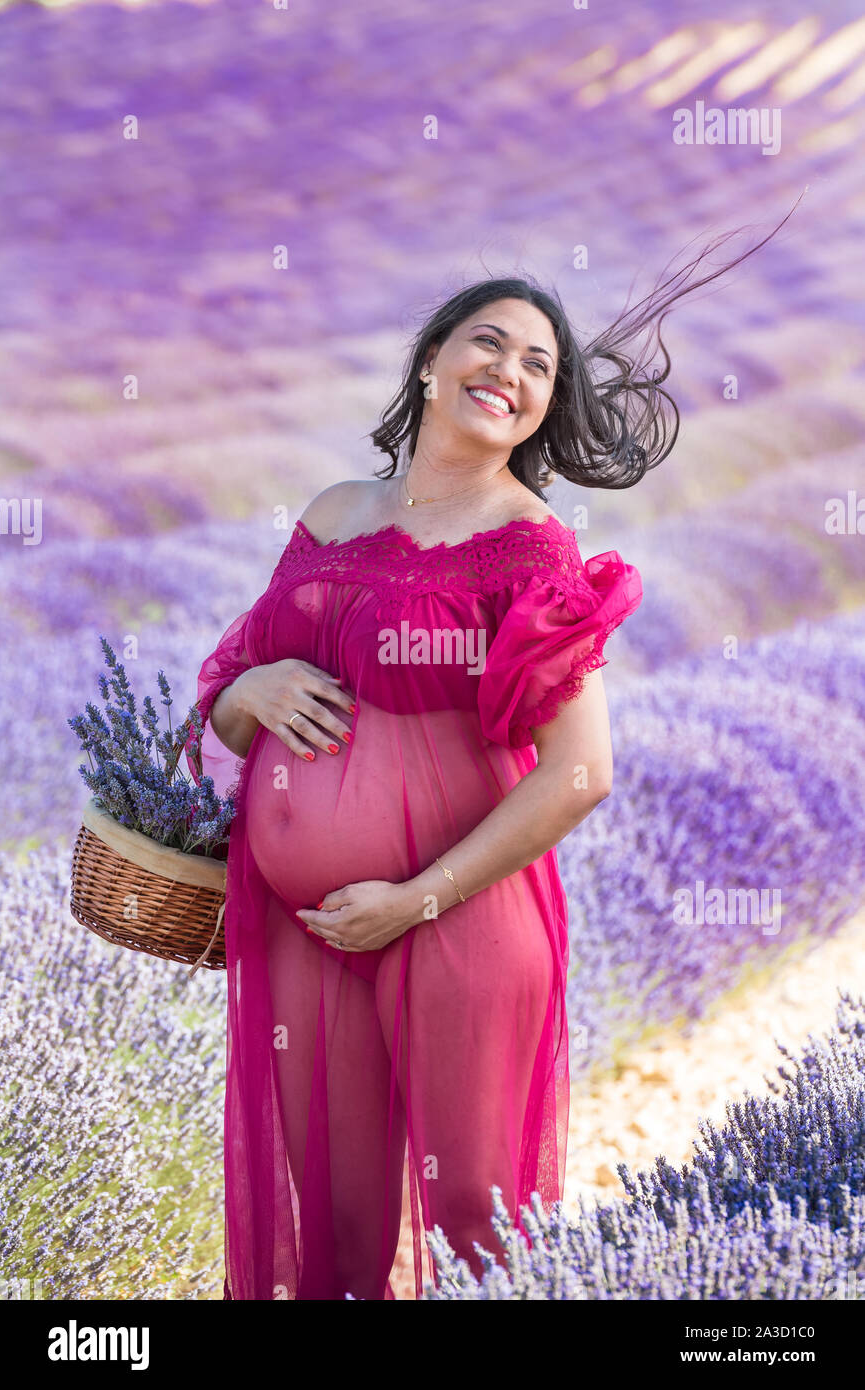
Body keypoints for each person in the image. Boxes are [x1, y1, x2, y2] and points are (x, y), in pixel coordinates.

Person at [186, 225, 795, 1300]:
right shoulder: (332, 514)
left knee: (475, 1221)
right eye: (489, 343)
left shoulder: (532, 550)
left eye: (537, 366)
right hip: (308, 932)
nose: (508, 372)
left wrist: (412, 900)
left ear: (542, 410)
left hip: (456, 921)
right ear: (431, 360)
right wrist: (249, 691)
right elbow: (229, 692)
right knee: (336, 1221)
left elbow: (580, 771)